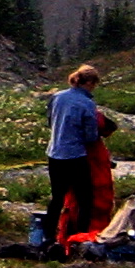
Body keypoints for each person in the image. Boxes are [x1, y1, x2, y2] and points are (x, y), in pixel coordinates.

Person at [45, 64, 110, 245]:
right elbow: (90, 136)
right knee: (85, 199)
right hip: (75, 156)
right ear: (88, 82)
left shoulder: (57, 97)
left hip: (55, 153)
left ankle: (48, 236)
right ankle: (79, 238)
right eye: (94, 84)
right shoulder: (87, 103)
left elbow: (50, 122)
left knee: (57, 197)